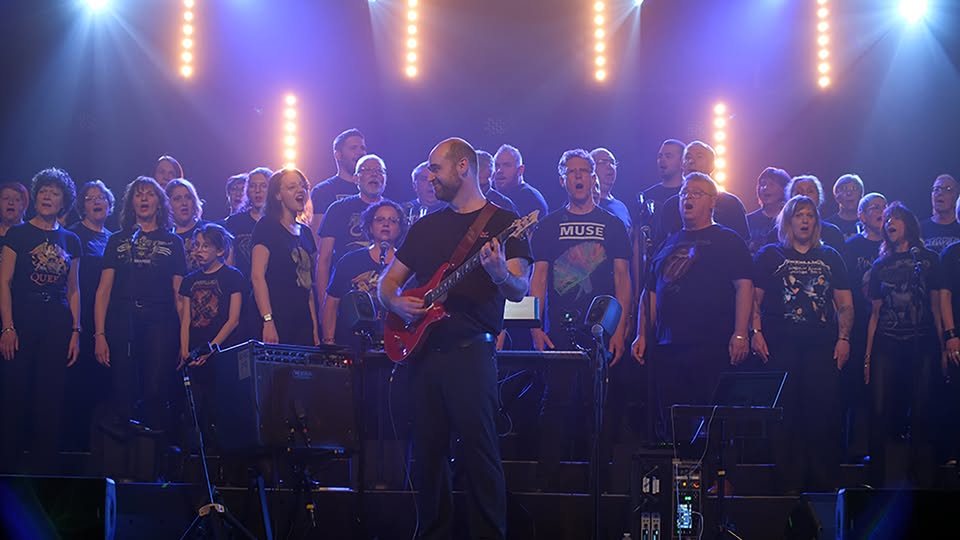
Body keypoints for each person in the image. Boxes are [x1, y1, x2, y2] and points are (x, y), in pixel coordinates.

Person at [379, 137, 531, 540]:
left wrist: (498, 272)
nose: (430, 177)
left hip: (471, 354)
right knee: (426, 455)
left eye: (436, 168)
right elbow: (387, 283)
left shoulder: (505, 221)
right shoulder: (426, 225)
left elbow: (519, 287)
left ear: (463, 167)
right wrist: (397, 305)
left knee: (480, 453)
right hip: (425, 355)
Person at [529, 148, 631, 488]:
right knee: (555, 400)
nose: (578, 176)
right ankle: (548, 481)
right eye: (571, 170)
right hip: (558, 327)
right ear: (562, 179)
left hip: (601, 329)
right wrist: (535, 326)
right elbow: (538, 279)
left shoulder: (613, 224)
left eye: (584, 170)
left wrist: (621, 330)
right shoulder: (547, 226)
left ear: (593, 177)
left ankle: (598, 482)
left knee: (597, 403)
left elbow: (622, 280)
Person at [631, 172, 752, 442]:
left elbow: (744, 286)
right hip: (669, 346)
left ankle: (720, 478)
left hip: (712, 344)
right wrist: (642, 334)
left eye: (696, 193)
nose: (688, 198)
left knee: (714, 416)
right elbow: (650, 292)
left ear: (712, 203)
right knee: (673, 417)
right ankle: (679, 475)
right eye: (684, 193)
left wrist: (741, 333)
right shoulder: (666, 244)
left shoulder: (728, 239)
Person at [751, 195, 853, 492]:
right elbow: (753, 301)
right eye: (799, 215)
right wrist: (755, 332)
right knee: (784, 417)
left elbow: (845, 304)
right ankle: (787, 487)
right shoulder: (770, 255)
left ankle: (822, 488)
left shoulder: (831, 256)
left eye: (810, 215)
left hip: (821, 349)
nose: (805, 220)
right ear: (788, 221)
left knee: (822, 415)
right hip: (780, 348)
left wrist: (844, 338)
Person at [94, 176, 186, 479]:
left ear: (159, 202)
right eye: (138, 194)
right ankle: (123, 467)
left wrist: (184, 340)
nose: (144, 199)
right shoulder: (118, 239)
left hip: (160, 321)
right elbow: (104, 290)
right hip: (122, 319)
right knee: (122, 388)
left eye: (150, 194)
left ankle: (153, 467)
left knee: (155, 389)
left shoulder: (174, 242)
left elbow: (178, 294)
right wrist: (99, 334)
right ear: (131, 202)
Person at [0, 168, 81, 474]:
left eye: (54, 192)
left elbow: (74, 290)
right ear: (35, 197)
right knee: (14, 394)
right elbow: (4, 282)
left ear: (64, 201)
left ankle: (43, 473)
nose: (47, 196)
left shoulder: (70, 239)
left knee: (50, 398)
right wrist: (7, 326)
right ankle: (7, 470)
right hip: (23, 317)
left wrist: (76, 329)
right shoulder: (18, 234)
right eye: (43, 191)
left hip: (57, 321)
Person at [864, 202, 944, 488]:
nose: (889, 223)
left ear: (908, 224)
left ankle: (922, 477)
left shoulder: (929, 260)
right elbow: (874, 314)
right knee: (881, 407)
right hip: (887, 343)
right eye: (886, 220)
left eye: (895, 218)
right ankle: (879, 477)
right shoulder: (879, 266)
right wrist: (868, 357)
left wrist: (943, 346)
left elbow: (936, 306)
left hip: (921, 343)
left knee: (922, 407)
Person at [178, 223, 245, 444]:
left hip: (220, 352)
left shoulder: (233, 277)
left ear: (220, 250)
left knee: (221, 408)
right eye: (197, 245)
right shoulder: (189, 280)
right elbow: (186, 318)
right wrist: (186, 350)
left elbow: (233, 320)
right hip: (195, 352)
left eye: (205, 246)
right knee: (195, 411)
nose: (199, 250)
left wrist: (211, 349)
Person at [65, 180, 115, 452]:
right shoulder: (74, 235)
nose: (96, 201)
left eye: (101, 197)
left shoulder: (114, 238)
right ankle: (75, 451)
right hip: (80, 321)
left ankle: (100, 452)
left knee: (103, 389)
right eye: (89, 198)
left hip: (108, 322)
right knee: (78, 388)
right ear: (81, 205)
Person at [323, 200, 407, 348]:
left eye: (392, 220)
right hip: (354, 344)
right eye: (380, 219)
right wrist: (329, 341)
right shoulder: (350, 261)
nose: (386, 224)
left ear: (400, 228)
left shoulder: (407, 263)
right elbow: (331, 302)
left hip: (395, 343)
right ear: (370, 226)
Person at [251, 168, 319, 346]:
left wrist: (314, 330)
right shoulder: (267, 226)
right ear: (278, 195)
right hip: (277, 316)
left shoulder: (305, 232)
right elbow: (257, 276)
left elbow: (308, 286)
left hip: (302, 320)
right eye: (291, 187)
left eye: (302, 186)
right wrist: (268, 320)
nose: (300, 190)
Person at [841, 192, 886, 459]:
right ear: (862, 215)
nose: (880, 211)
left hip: (887, 328)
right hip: (857, 327)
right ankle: (854, 450)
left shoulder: (893, 245)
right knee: (857, 388)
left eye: (883, 206)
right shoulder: (851, 246)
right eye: (873, 207)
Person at [317, 154, 389, 323]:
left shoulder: (393, 212)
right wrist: (324, 305)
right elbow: (324, 259)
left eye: (379, 171)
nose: (374, 174)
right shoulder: (338, 209)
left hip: (385, 302)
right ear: (356, 178)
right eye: (367, 170)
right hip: (345, 299)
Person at [653, 141, 750, 245]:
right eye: (688, 157)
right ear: (682, 165)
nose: (691, 161)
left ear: (712, 165)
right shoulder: (671, 205)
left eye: (699, 157)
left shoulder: (730, 204)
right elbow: (660, 245)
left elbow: (743, 243)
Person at [309, 128, 367, 244]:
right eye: (353, 148)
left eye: (362, 148)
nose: (360, 152)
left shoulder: (372, 189)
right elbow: (317, 238)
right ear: (338, 155)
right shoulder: (323, 191)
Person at [766, 175, 846, 253]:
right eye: (798, 192)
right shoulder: (776, 234)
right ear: (790, 198)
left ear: (819, 197)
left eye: (810, 191)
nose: (804, 195)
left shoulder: (832, 233)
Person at [224, 167, 271, 281]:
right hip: (242, 287)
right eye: (253, 186)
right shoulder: (235, 222)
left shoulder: (278, 222)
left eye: (263, 186)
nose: (257, 190)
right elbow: (229, 261)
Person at [493, 143, 549, 218]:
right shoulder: (494, 196)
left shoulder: (529, 198)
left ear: (520, 170)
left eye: (507, 165)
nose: (499, 170)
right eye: (496, 165)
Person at [745, 167, 790, 254]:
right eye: (763, 184)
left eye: (771, 184)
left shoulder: (790, 220)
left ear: (784, 189)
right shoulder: (748, 220)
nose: (765, 188)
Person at [166, 178, 207, 272]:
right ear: (168, 204)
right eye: (177, 199)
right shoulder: (165, 236)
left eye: (188, 197)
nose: (184, 203)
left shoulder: (208, 230)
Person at [590, 147, 632, 230]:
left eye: (612, 162)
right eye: (603, 162)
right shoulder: (582, 205)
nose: (610, 166)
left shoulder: (621, 207)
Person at [920, 174, 960, 253]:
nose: (940, 193)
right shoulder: (920, 228)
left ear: (956, 196)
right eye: (936, 189)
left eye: (947, 189)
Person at [476, 150, 517, 214]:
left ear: (493, 176)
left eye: (483, 185)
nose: (479, 190)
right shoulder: (457, 200)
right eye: (476, 184)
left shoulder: (505, 204)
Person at [827, 174, 865, 239]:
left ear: (861, 195)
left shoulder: (869, 224)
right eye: (844, 188)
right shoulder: (828, 226)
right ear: (836, 196)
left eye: (854, 188)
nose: (849, 193)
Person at [0, 182, 29, 263]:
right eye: (6, 198)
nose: (11, 203)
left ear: (24, 205)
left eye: (17, 199)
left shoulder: (30, 234)